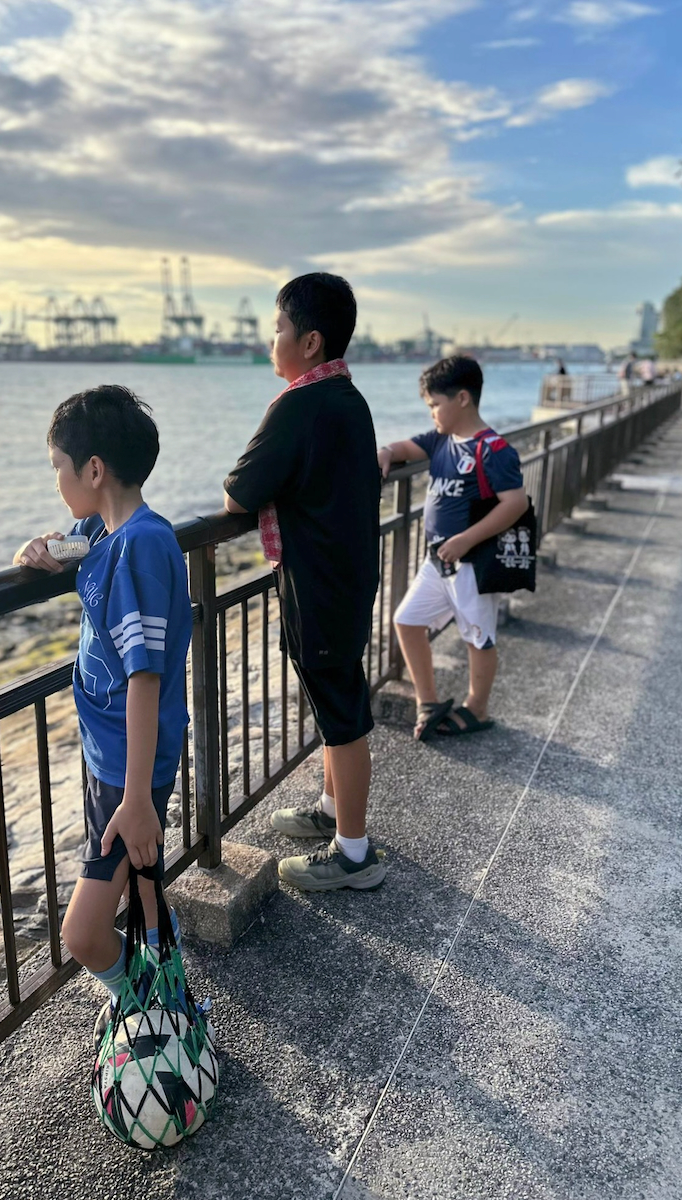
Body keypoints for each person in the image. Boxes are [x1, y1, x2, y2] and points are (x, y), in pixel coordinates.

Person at [14, 384, 193, 1040]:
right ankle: (168, 1002)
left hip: (128, 772)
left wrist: (139, 798)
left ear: (93, 469)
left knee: (84, 934)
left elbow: (145, 676)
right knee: (143, 886)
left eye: (57, 467)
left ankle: (139, 1002)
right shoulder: (103, 532)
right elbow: (59, 546)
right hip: (112, 759)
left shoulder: (140, 546)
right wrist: (36, 548)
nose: (56, 480)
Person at [222, 273, 385, 892]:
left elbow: (239, 494)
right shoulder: (348, 398)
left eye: (278, 329)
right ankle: (331, 809)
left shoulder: (300, 403)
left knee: (342, 713)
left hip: (318, 582)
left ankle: (354, 854)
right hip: (347, 575)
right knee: (336, 699)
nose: (272, 341)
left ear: (309, 341)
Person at [378, 356, 528, 740]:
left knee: (478, 636)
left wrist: (466, 539)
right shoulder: (440, 440)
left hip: (472, 562)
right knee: (406, 620)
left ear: (462, 398)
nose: (431, 413)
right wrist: (387, 452)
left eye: (435, 404)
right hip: (437, 561)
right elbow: (406, 448)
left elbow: (516, 503)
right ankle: (427, 701)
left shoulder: (493, 450)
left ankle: (477, 708)